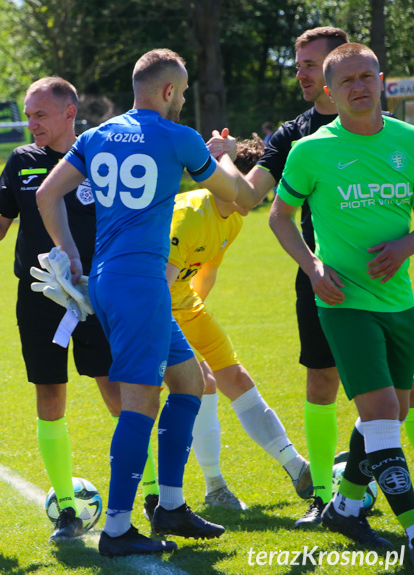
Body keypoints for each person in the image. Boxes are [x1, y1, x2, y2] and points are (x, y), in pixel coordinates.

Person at [36, 48, 253, 558]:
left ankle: (171, 504)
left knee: (191, 381)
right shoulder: (178, 136)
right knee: (140, 403)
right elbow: (240, 195)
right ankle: (115, 529)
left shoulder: (96, 135)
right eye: (182, 93)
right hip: (140, 285)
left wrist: (72, 258)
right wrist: (220, 151)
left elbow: (47, 196)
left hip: (110, 281)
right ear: (171, 91)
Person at [0, 77, 121, 542]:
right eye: (28, 113)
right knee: (49, 396)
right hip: (39, 297)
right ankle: (67, 511)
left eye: (40, 114)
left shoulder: (101, 156)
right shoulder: (22, 160)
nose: (31, 122)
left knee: (119, 394)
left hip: (96, 296)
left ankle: (155, 494)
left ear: (69, 113)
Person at [269, 43, 414, 553]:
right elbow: (278, 217)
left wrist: (406, 244)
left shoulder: (408, 141)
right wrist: (311, 266)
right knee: (379, 415)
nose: (357, 87)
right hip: (342, 301)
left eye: (365, 76)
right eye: (346, 80)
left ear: (381, 80)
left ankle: (347, 506)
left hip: (400, 301)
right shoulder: (310, 149)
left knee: (396, 411)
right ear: (330, 92)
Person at [220, 26, 350, 527]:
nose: (300, 74)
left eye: (309, 64)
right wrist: (222, 162)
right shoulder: (292, 133)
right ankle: (323, 494)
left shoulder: (380, 128)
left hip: (384, 275)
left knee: (391, 391)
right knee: (321, 380)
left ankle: (362, 477)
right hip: (316, 274)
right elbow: (249, 197)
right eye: (296, 64)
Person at [166, 137, 311, 510]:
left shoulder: (231, 222)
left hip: (187, 305)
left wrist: (196, 320)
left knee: (238, 378)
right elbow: (158, 282)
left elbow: (206, 273)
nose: (258, 197)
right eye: (251, 188)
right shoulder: (189, 214)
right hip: (156, 308)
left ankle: (298, 469)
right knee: (203, 382)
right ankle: (214, 488)